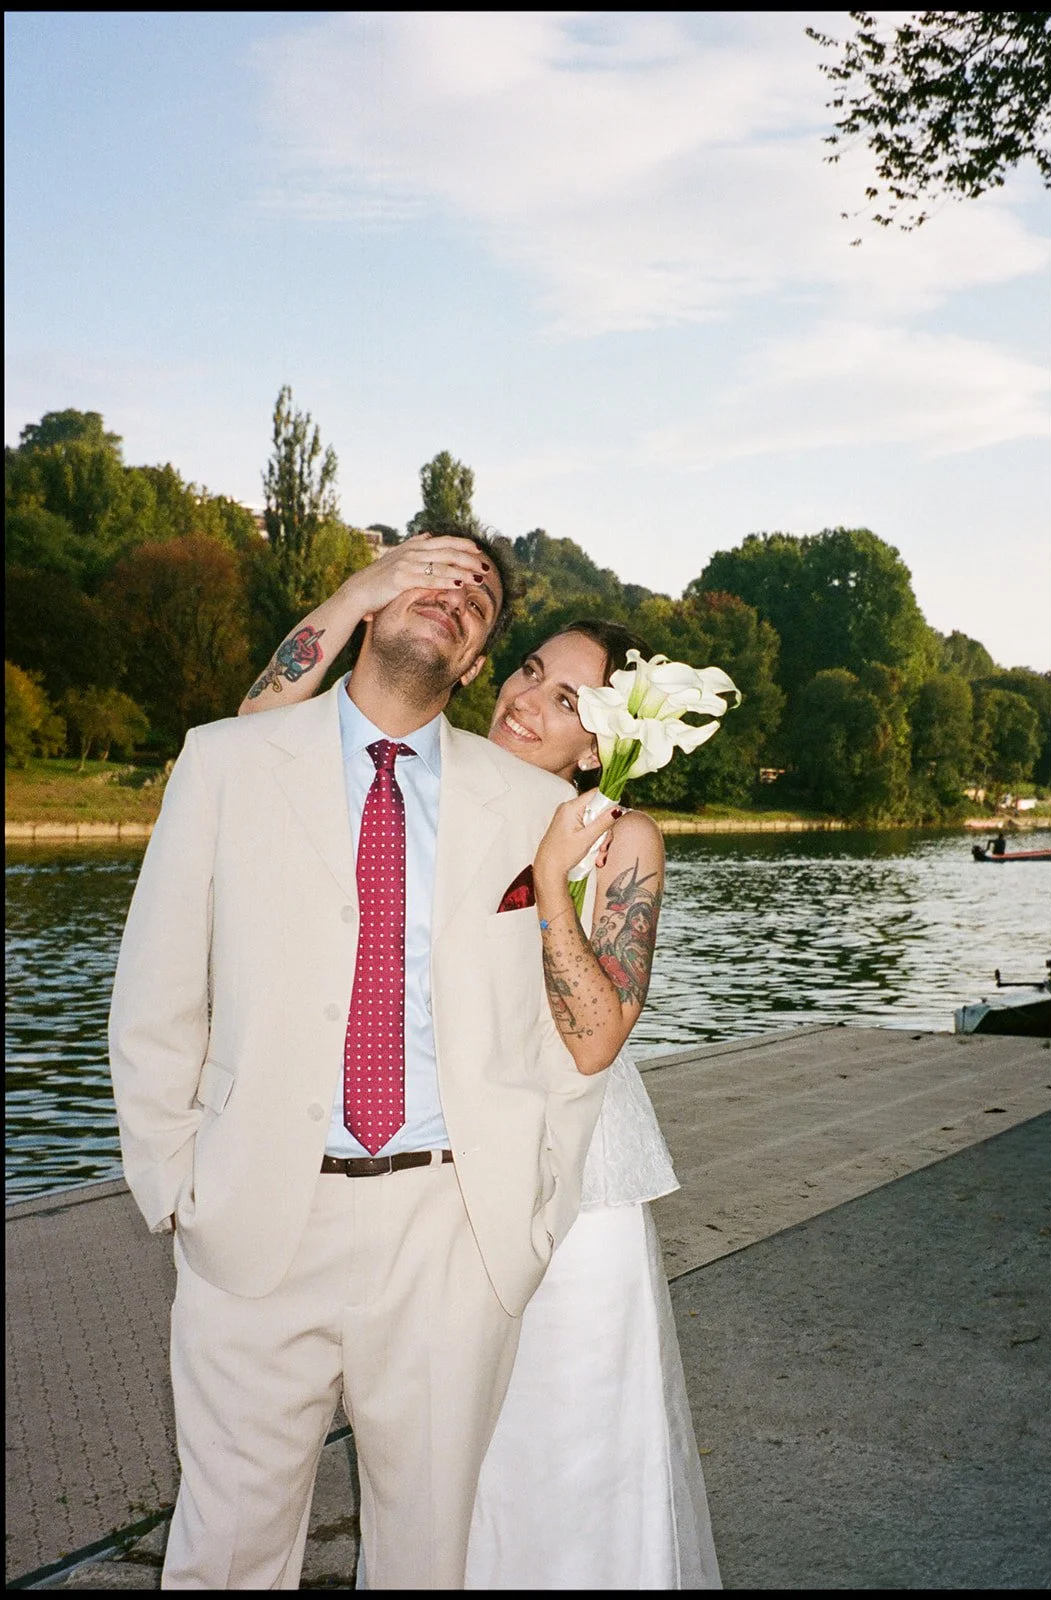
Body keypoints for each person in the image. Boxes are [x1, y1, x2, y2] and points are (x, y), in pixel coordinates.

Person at [108, 527, 615, 1590]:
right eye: (434, 573)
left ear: (475, 666)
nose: (456, 596)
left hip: (449, 1233)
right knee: (223, 1554)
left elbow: (564, 1045)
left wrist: (533, 1212)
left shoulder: (536, 813)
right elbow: (156, 992)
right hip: (252, 1220)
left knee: (425, 1560)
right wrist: (175, 1186)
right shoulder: (231, 761)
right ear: (374, 598)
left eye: (480, 600)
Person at [243, 539, 723, 1589]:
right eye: (528, 671)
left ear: (607, 743)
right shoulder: (430, 774)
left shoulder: (623, 840)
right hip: (439, 1176)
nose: (529, 701)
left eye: (568, 699)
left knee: (565, 1453)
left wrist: (553, 882)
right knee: (439, 1472)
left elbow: (594, 1039)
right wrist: (360, 596)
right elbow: (254, 732)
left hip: (573, 1186)